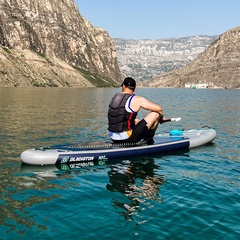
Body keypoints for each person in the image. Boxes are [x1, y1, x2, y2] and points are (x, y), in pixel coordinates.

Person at [108, 77, 164, 144]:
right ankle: (148, 139)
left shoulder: (115, 97)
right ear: (134, 89)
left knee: (134, 122)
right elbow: (159, 109)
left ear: (123, 86)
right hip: (127, 139)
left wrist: (134, 119)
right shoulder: (137, 99)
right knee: (156, 113)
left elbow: (118, 114)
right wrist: (161, 119)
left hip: (113, 138)